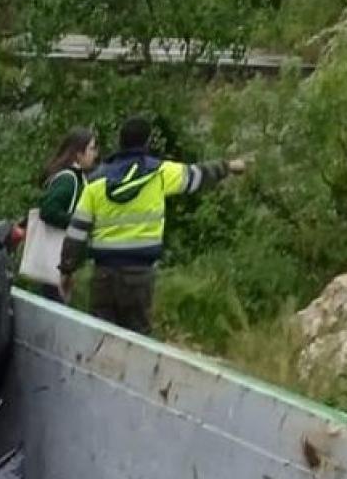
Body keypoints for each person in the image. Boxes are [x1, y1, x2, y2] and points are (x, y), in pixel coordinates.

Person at [59, 115, 246, 335]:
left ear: (121, 142)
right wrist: (229, 166)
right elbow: (197, 174)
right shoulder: (159, 173)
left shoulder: (95, 182)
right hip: (139, 275)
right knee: (138, 338)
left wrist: (67, 270)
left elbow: (76, 232)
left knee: (101, 339)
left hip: (104, 276)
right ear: (146, 143)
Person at [34, 127, 99, 302]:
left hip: (60, 260)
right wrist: (81, 222)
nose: (95, 154)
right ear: (79, 153)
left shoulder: (77, 178)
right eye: (91, 149)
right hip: (58, 258)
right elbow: (48, 210)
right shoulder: (69, 180)